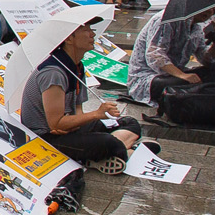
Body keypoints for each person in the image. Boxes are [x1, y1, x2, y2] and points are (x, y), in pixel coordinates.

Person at [19, 21, 146, 173]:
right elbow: (55, 124)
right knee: (108, 142)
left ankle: (120, 150)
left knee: (130, 122)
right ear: (69, 39)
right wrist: (96, 114)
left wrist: (78, 125)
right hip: (45, 137)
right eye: (86, 31)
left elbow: (78, 112)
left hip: (68, 129)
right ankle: (121, 149)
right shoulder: (53, 73)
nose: (92, 34)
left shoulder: (76, 66)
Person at [124, 9, 215, 107]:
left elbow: (205, 58)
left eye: (214, 10)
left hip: (174, 74)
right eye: (207, 8)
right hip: (149, 77)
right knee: (190, 84)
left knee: (214, 74)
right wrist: (182, 75)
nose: (210, 12)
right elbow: (155, 55)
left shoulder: (197, 28)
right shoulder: (166, 19)